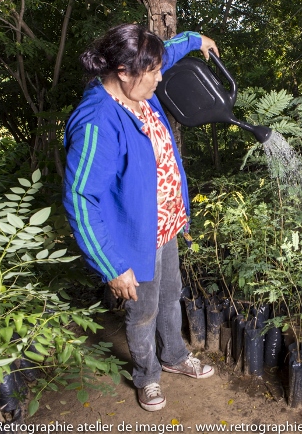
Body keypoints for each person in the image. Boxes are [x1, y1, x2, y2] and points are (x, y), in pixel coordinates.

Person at [63, 24, 219, 412]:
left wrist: (196, 40)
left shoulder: (138, 90)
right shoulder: (97, 120)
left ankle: (174, 355)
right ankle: (148, 376)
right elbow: (82, 198)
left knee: (170, 295)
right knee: (143, 309)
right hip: (132, 237)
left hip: (163, 223)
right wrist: (112, 265)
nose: (160, 78)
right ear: (123, 71)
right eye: (152, 72)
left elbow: (165, 50)